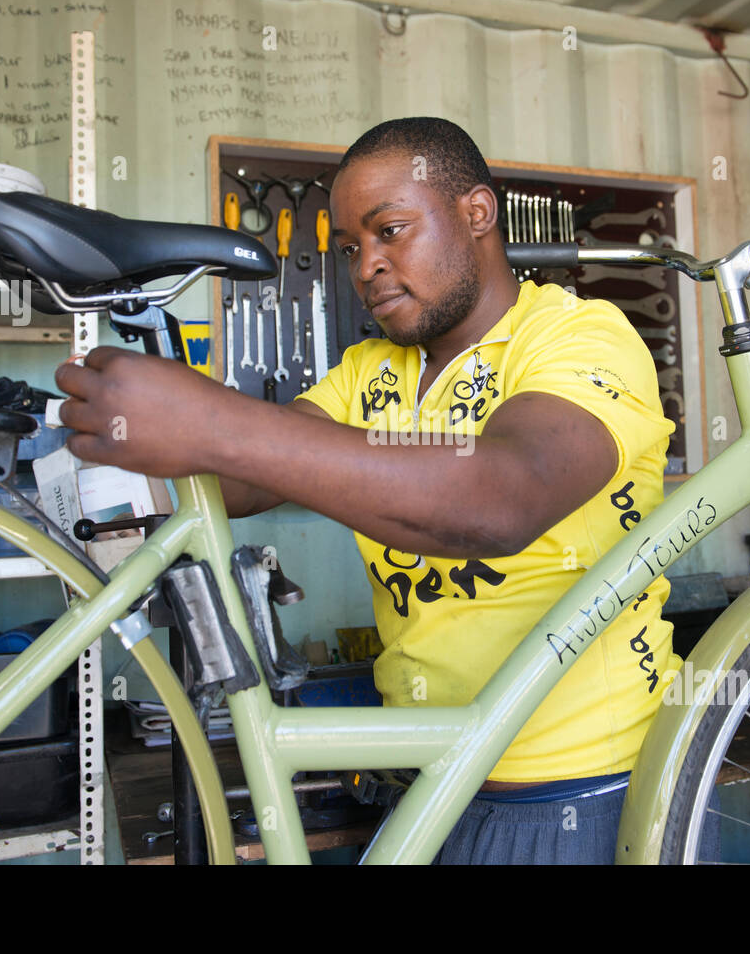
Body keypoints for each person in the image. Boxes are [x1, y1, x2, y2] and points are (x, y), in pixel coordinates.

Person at [54, 117, 680, 864]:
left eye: (390, 230)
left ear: (477, 214)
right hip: (433, 768)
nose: (367, 267)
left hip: (573, 785)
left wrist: (211, 422)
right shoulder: (371, 371)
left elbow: (501, 497)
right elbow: (252, 474)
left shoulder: (578, 337)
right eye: (351, 248)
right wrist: (116, 465)